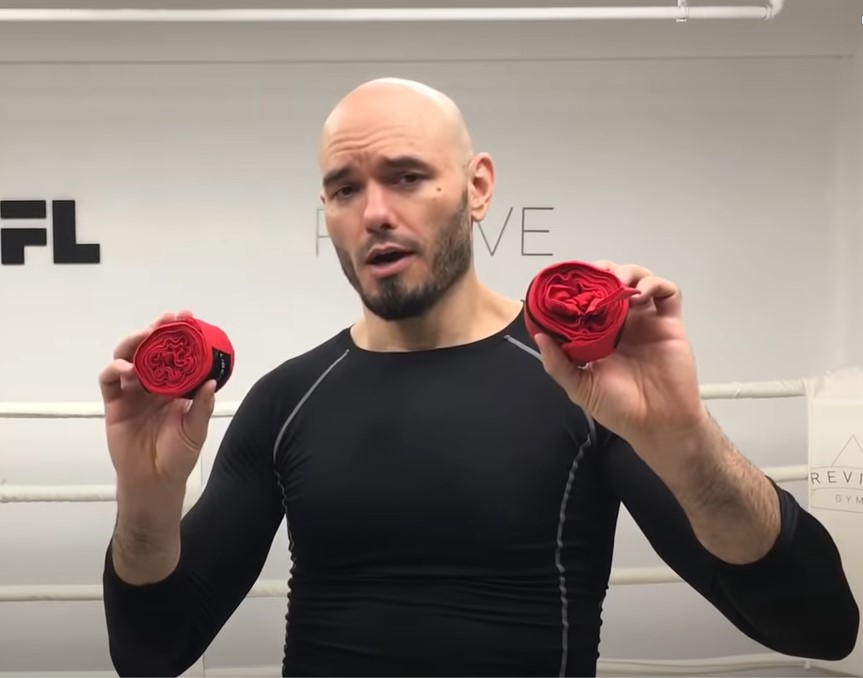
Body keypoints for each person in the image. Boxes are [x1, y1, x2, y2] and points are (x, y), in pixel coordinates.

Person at [99, 78, 859, 678]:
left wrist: (686, 441)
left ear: (478, 186)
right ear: (325, 209)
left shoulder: (584, 387)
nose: (374, 213)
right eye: (345, 189)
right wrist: (145, 502)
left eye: (406, 176)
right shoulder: (287, 400)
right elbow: (152, 654)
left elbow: (818, 625)